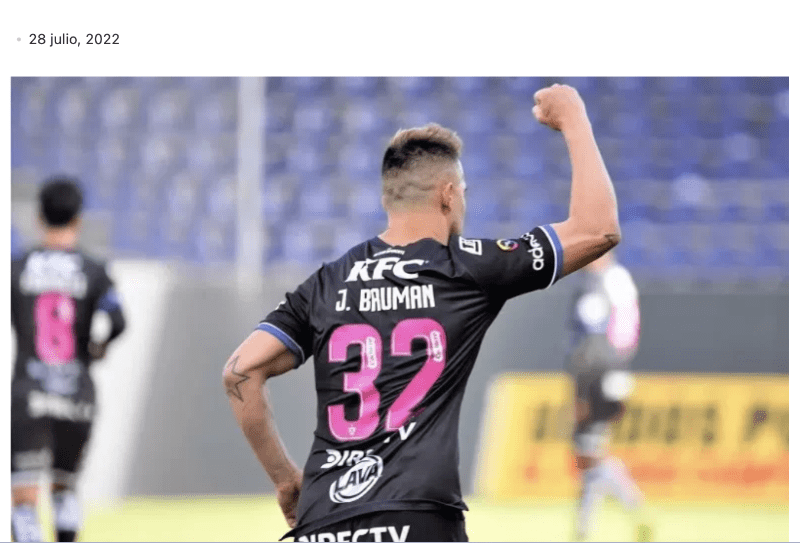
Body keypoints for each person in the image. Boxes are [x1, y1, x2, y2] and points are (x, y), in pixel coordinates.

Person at [224, 84, 621, 542]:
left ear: (388, 198)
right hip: (418, 520)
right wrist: (573, 117)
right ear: (449, 195)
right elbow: (599, 230)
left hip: (322, 523)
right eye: (464, 193)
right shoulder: (467, 267)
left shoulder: (326, 282)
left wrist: (285, 480)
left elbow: (239, 372)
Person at [10, 178, 127, 542]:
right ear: (78, 219)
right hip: (77, 393)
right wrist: (98, 348)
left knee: (24, 500)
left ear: (38, 217)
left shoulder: (16, 267)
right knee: (64, 489)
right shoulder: (94, 270)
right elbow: (119, 321)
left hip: (29, 393)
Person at [566, 250, 652, 542]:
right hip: (610, 373)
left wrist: (585, 389)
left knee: (589, 452)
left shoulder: (602, 284)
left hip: (599, 376)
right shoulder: (616, 281)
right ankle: (587, 524)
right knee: (591, 451)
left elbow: (596, 338)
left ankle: (627, 507)